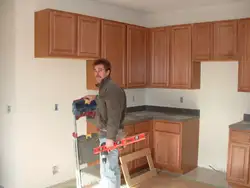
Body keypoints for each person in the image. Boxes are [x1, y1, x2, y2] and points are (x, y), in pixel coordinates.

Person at [84, 58, 127, 188]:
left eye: (101, 70)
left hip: (109, 134)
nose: (97, 73)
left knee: (108, 171)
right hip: (109, 134)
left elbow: (113, 116)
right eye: (95, 71)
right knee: (112, 168)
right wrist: (96, 98)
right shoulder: (105, 89)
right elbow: (106, 102)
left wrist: (110, 138)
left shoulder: (111, 89)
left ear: (108, 72)